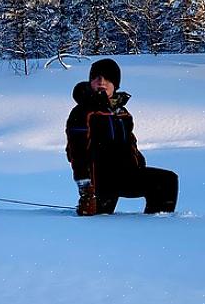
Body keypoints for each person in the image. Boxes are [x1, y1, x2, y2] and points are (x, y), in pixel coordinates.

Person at [65, 58, 178, 216]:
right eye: (96, 77)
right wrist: (85, 188)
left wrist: (139, 163)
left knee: (166, 181)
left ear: (115, 84)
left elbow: (130, 143)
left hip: (125, 175)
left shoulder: (122, 113)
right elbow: (77, 152)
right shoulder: (83, 112)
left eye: (107, 77)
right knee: (97, 222)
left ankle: (157, 227)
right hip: (100, 181)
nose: (101, 81)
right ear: (90, 81)